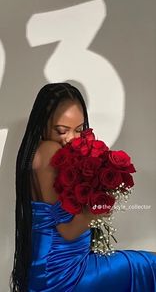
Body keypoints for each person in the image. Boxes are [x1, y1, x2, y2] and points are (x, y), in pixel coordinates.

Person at [9, 82, 156, 292]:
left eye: (79, 130)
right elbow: (68, 232)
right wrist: (96, 208)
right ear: (42, 125)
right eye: (62, 130)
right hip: (63, 273)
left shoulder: (40, 152)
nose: (71, 139)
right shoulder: (49, 151)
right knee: (148, 266)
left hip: (55, 267)